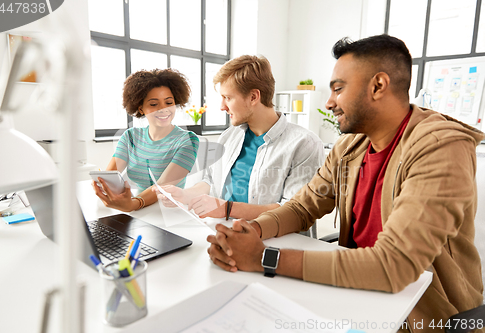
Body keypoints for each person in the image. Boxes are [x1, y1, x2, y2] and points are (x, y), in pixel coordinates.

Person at [207, 35, 484, 331]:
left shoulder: (440, 147)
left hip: (429, 316)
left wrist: (264, 258)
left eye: (339, 89)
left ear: (378, 86)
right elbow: (303, 207)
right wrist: (250, 232)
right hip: (356, 296)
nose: (329, 102)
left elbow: (394, 265)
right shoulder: (350, 147)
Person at [156, 55, 324, 220]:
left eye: (227, 98)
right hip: (224, 232)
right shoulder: (228, 137)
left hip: (274, 241)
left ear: (253, 97)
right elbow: (211, 182)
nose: (222, 107)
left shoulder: (305, 144)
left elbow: (293, 211)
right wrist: (184, 195)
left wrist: (227, 209)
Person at [93, 69, 199, 212]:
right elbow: (110, 177)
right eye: (154, 104)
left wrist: (134, 204)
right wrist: (104, 188)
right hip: (138, 209)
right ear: (140, 108)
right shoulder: (130, 137)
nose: (163, 109)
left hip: (170, 211)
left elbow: (162, 186)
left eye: (169, 102)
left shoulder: (188, 140)